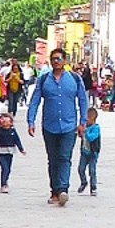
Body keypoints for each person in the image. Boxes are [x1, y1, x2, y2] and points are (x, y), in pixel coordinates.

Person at [26, 46, 88, 206]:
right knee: (53, 159)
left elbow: (82, 100)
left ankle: (63, 190)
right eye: (53, 59)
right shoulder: (44, 79)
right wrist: (30, 120)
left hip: (69, 126)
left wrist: (83, 122)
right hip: (50, 125)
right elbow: (35, 100)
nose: (56, 61)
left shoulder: (74, 79)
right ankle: (54, 191)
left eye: (59, 58)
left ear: (64, 61)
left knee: (64, 158)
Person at [0, 108, 24, 191]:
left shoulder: (12, 130)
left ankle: (6, 180)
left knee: (8, 169)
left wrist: (21, 149)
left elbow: (17, 140)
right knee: (5, 168)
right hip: (1, 152)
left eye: (7, 122)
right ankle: (3, 184)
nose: (5, 123)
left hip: (10, 151)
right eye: (3, 122)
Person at [76, 104, 103, 196]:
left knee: (92, 170)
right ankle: (84, 182)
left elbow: (91, 138)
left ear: (93, 118)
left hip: (93, 153)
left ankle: (93, 187)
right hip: (84, 152)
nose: (86, 120)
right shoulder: (84, 126)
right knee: (80, 169)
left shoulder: (96, 128)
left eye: (87, 118)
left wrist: (85, 132)